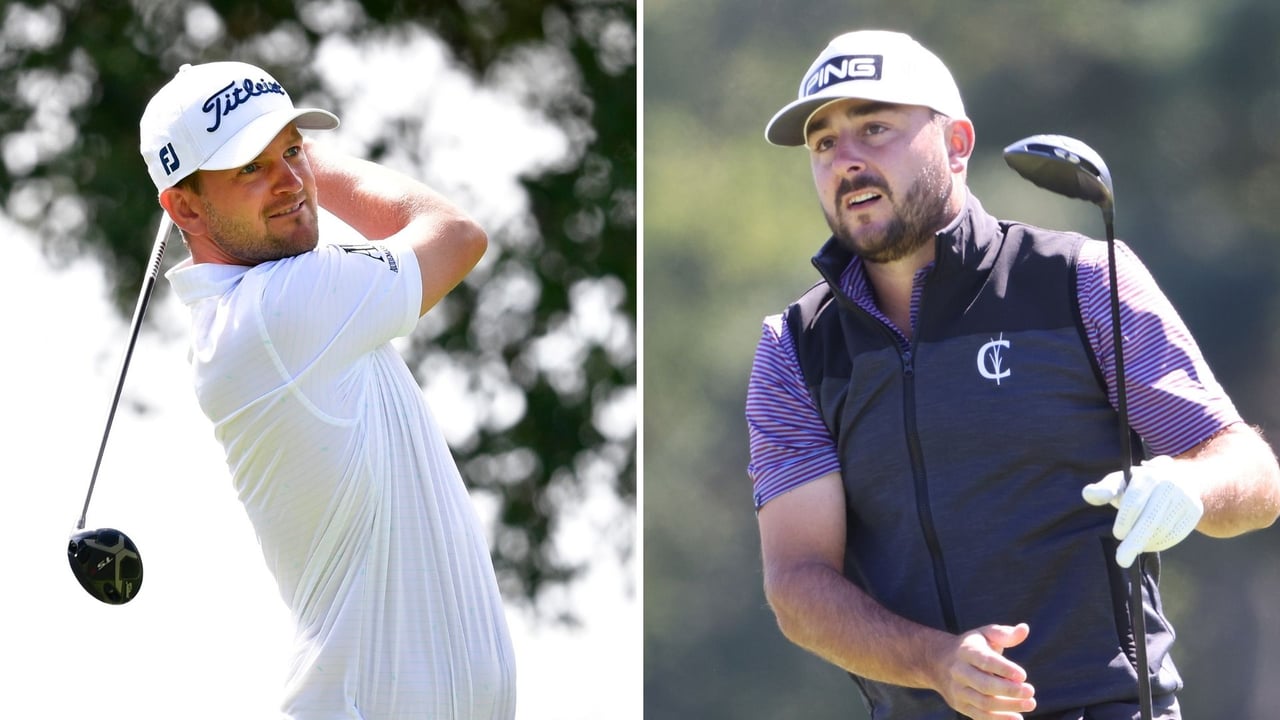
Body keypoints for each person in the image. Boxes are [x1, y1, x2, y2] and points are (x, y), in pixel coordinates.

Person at [746, 30, 1280, 720]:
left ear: (958, 144)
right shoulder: (797, 346)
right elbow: (797, 582)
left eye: (874, 128)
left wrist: (1192, 486)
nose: (845, 160)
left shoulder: (1077, 280)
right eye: (823, 144)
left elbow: (1254, 474)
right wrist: (935, 663)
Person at [139, 61, 516, 719]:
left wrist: (276, 156)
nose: (291, 181)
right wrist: (311, 156)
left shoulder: (274, 307)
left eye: (292, 150)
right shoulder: (276, 313)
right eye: (250, 168)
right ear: (185, 205)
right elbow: (455, 235)